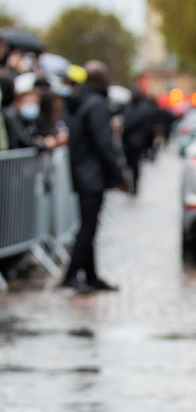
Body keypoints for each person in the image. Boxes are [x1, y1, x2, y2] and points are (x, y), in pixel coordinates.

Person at [60, 60, 126, 294]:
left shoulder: (79, 102)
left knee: (88, 226)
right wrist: (119, 174)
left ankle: (89, 275)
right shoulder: (96, 104)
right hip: (92, 174)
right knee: (88, 228)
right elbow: (104, 144)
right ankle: (72, 274)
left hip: (82, 171)